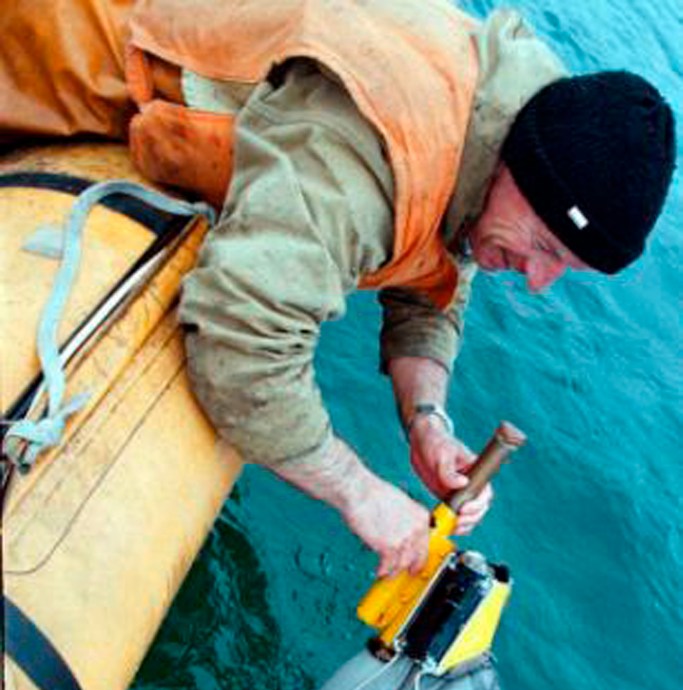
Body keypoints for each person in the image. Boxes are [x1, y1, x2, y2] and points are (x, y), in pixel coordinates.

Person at [1, 0, 675, 577]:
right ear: (525, 174)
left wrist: (426, 421)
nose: (535, 282)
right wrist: (358, 491)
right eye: (545, 249)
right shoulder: (368, 154)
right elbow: (239, 343)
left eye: (563, 271)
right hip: (67, 47)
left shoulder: (524, 125)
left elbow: (440, 267)